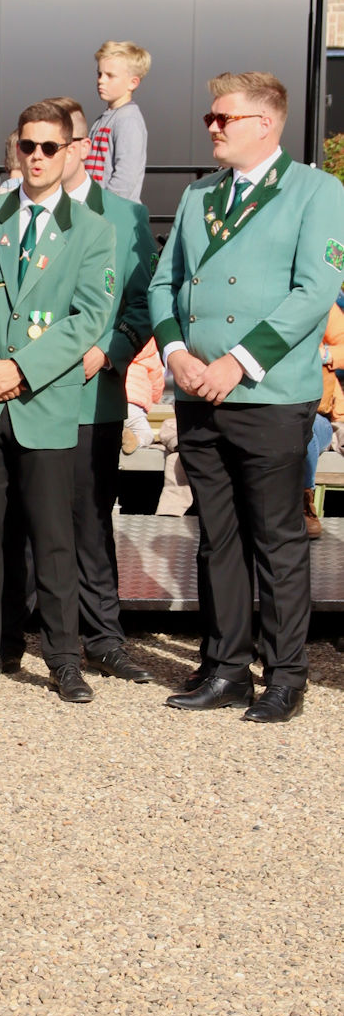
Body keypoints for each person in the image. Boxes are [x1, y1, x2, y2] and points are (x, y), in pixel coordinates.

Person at [150, 71, 344, 721]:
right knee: (217, 538)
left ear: (264, 123)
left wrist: (237, 362)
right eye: (209, 117)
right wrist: (176, 353)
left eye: (222, 117)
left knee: (276, 541)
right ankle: (225, 668)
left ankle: (285, 677)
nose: (210, 126)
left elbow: (313, 291)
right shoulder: (198, 194)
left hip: (268, 393)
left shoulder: (315, 191)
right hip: (197, 391)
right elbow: (164, 284)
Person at [0, 100, 118, 703]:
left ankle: (64, 660)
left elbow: (90, 316)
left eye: (49, 147)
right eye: (27, 146)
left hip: (44, 401)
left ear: (70, 152)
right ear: (16, 148)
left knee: (53, 539)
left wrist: (22, 369)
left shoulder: (93, 229)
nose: (36, 157)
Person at [51, 97, 158, 681]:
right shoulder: (14, 211)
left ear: (82, 147)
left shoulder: (125, 216)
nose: (48, 154)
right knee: (27, 517)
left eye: (60, 142)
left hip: (93, 393)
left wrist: (110, 351)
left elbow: (143, 303)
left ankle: (103, 638)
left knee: (91, 520)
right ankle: (28, 633)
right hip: (28, 395)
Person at [88, 41, 150, 202]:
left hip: (113, 211)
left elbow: (126, 176)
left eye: (110, 76)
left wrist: (106, 206)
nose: (101, 80)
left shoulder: (128, 120)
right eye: (99, 74)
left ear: (132, 83)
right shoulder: (104, 119)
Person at [305, 304, 344, 538]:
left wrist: (322, 354)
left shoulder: (321, 305)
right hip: (265, 408)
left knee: (303, 427)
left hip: (318, 414)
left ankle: (303, 502)